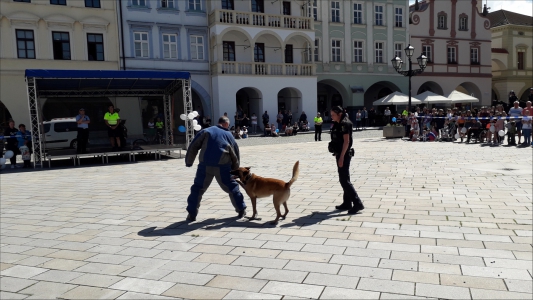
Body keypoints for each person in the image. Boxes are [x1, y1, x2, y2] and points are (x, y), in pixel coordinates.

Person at [185, 116, 247, 221]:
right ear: (226, 124)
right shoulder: (228, 135)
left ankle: (192, 214)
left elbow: (193, 146)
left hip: (205, 165)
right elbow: (235, 153)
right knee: (232, 188)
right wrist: (236, 170)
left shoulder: (206, 131)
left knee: (197, 188)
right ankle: (241, 209)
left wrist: (189, 162)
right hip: (223, 166)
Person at [328, 106, 364, 214]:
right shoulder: (338, 123)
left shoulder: (345, 123)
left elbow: (346, 142)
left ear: (339, 114)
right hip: (339, 154)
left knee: (344, 180)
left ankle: (357, 203)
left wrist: (342, 157)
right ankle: (347, 203)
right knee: (345, 178)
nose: (331, 116)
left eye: (333, 115)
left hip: (344, 155)